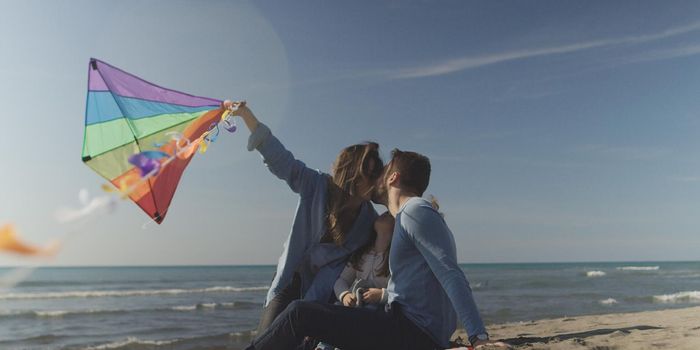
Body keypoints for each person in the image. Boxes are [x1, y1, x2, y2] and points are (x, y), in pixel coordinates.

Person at [245, 149, 508, 350]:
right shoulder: (405, 219)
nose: (375, 179)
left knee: (300, 313)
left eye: (382, 172)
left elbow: (450, 274)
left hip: (411, 332)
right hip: (405, 327)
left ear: (393, 177)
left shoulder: (415, 210)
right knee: (320, 325)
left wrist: (479, 338)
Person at [225, 100, 385, 334]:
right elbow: (281, 160)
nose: (372, 180)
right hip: (290, 279)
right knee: (267, 338)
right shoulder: (316, 185)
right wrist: (246, 115)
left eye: (376, 174)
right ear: (350, 172)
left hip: (324, 294)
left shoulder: (369, 221)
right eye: (367, 172)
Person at [334, 211, 394, 309]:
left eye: (391, 215)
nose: (385, 213)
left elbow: (405, 292)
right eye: (385, 212)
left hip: (379, 312)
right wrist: (345, 295)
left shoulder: (396, 257)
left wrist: (382, 295)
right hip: (355, 307)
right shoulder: (361, 252)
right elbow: (342, 280)